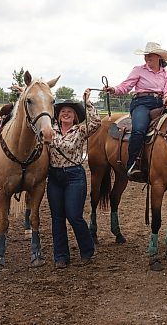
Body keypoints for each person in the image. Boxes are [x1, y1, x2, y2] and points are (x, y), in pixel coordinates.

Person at [103, 42, 167, 181]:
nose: (147, 58)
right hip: (141, 103)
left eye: (151, 55)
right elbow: (125, 86)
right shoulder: (138, 70)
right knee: (140, 129)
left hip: (160, 103)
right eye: (146, 55)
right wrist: (114, 89)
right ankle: (133, 163)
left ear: (159, 57)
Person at [47, 89, 101, 269]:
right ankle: (61, 256)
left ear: (75, 116)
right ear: (58, 115)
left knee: (74, 215)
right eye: (63, 111)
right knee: (57, 218)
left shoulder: (80, 131)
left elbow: (96, 122)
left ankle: (87, 249)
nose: (66, 113)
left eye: (70, 111)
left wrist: (87, 102)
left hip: (74, 176)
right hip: (54, 176)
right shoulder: (50, 130)